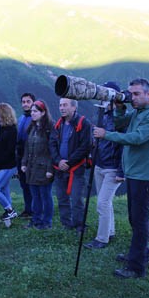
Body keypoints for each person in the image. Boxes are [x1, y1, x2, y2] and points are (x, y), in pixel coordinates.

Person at [93, 78, 149, 279]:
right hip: (135, 173)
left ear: (148, 94)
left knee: (140, 219)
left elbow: (136, 138)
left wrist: (105, 135)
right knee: (135, 219)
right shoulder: (139, 111)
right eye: (131, 93)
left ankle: (136, 267)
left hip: (145, 175)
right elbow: (120, 123)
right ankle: (139, 254)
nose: (132, 97)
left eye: (136, 94)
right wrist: (119, 107)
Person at [84, 84, 126, 250]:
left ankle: (101, 239)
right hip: (99, 164)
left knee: (102, 203)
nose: (102, 98)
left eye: (106, 95)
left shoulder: (120, 118)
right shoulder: (102, 114)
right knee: (106, 202)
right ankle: (110, 231)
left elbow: (124, 143)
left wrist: (121, 170)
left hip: (112, 167)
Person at [50, 98, 92, 232]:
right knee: (62, 198)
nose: (62, 108)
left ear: (74, 108)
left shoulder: (83, 123)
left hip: (76, 168)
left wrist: (69, 162)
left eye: (65, 105)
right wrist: (58, 161)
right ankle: (66, 224)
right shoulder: (58, 124)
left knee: (76, 198)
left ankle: (79, 225)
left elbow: (85, 146)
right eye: (60, 105)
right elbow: (52, 144)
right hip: (60, 168)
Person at [21, 100, 54, 230]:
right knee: (35, 195)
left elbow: (53, 150)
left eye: (35, 111)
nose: (32, 113)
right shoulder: (32, 127)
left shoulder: (49, 128)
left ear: (43, 112)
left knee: (45, 195)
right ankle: (36, 220)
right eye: (32, 111)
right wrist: (24, 163)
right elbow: (27, 147)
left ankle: (46, 222)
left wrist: (50, 169)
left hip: (44, 168)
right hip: (32, 167)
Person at [0, 103, 18, 222]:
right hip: (2, 166)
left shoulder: (11, 130)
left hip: (8, 166)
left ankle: (10, 210)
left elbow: (10, 151)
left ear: (3, 114)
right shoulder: (2, 128)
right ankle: (9, 216)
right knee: (4, 189)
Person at [16, 92, 35, 218]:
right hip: (20, 155)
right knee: (24, 184)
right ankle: (28, 209)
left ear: (33, 102)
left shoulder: (35, 119)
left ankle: (35, 210)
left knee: (32, 184)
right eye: (23, 102)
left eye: (28, 101)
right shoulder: (22, 118)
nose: (25, 104)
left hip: (31, 156)